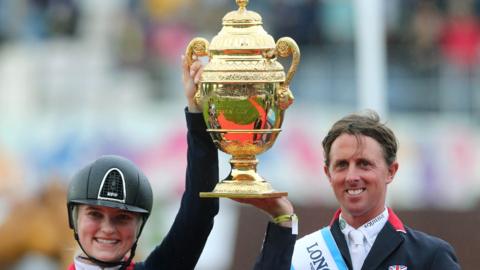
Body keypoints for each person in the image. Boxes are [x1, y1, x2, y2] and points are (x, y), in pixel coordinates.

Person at [288, 111, 461, 270]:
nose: (352, 177)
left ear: (390, 172)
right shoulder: (301, 256)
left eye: (364, 164)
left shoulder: (430, 256)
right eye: (342, 165)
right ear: (328, 174)